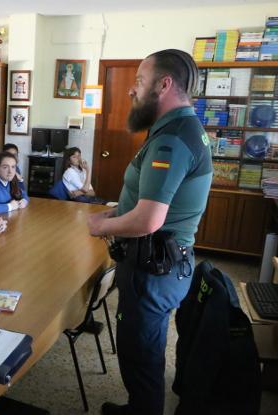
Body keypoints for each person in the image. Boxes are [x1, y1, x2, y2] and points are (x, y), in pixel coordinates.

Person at [86, 49, 213, 415]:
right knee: (145, 345)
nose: (132, 90)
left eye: (139, 81)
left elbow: (149, 220)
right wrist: (120, 209)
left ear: (165, 84)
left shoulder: (170, 140)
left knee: (139, 350)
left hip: (153, 267)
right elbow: (156, 200)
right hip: (165, 262)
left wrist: (101, 225)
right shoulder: (181, 128)